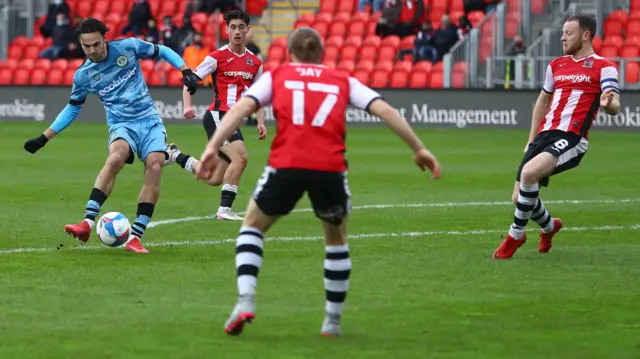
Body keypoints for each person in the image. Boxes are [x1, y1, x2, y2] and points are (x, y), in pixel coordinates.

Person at [194, 27, 441, 337]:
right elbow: (386, 109)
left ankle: (245, 300)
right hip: (330, 168)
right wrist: (418, 148)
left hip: (287, 166)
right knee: (336, 241)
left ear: (290, 53)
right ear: (323, 53)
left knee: (252, 228)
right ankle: (332, 321)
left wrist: (210, 147)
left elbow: (241, 108)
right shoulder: (342, 79)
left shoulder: (278, 75)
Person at [23, 18, 200, 254]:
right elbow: (73, 107)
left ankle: (135, 237)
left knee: (155, 166)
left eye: (96, 44)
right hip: (121, 124)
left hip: (149, 120)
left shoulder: (128, 47)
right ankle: (86, 223)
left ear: (105, 38)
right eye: (87, 46)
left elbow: (162, 50)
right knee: (116, 157)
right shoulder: (83, 75)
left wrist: (185, 69)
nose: (92, 50)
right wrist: (44, 137)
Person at [493, 14, 620, 260]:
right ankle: (550, 227)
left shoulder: (604, 67)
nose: (562, 37)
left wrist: (609, 104)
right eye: (563, 32)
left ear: (585, 35)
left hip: (572, 137)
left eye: (568, 33)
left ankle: (515, 235)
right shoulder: (556, 65)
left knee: (529, 175)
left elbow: (613, 102)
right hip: (544, 135)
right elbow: (542, 100)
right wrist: (531, 139)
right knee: (519, 197)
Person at [164, 9, 267, 221]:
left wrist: (261, 122)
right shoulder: (216, 57)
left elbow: (260, 96)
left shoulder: (255, 63)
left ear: (248, 30)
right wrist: (186, 106)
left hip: (234, 120)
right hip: (218, 115)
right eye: (233, 27)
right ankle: (224, 211)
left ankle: (174, 155)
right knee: (241, 158)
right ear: (226, 30)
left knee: (213, 177)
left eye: (241, 27)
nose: (237, 31)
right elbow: (190, 80)